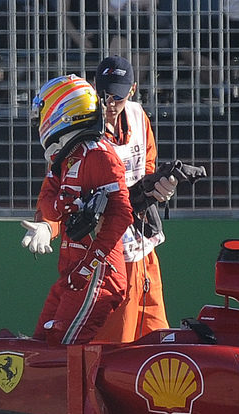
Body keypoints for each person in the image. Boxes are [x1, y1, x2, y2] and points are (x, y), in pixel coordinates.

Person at [23, 74, 133, 345]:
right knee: (41, 342)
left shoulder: (100, 156)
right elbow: (48, 203)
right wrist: (47, 226)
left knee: (62, 348)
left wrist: (88, 266)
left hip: (97, 274)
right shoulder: (64, 158)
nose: (39, 122)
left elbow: (122, 215)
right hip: (73, 271)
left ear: (64, 112)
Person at [93, 55, 176, 342]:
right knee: (117, 336)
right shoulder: (84, 128)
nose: (109, 103)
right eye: (102, 94)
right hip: (108, 246)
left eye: (117, 95)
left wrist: (159, 188)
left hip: (142, 239)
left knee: (156, 329)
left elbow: (149, 165)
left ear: (132, 90)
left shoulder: (139, 117)